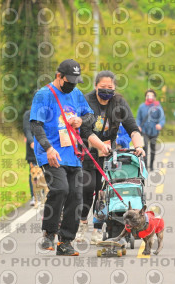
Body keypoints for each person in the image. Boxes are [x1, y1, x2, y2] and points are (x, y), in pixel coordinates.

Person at [30, 59, 111, 256]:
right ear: (59, 76)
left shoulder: (76, 94)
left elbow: (91, 117)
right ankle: (49, 232)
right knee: (60, 189)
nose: (73, 85)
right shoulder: (44, 95)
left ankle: (65, 241)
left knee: (76, 195)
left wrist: (81, 120)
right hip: (51, 153)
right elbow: (35, 125)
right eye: (69, 81)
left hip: (73, 154)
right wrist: (48, 148)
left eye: (76, 81)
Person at [77, 71, 145, 243]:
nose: (106, 90)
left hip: (109, 154)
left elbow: (132, 127)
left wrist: (139, 146)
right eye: (103, 87)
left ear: (114, 88)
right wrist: (101, 145)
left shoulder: (119, 102)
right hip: (88, 151)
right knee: (88, 188)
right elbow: (85, 130)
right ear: (95, 86)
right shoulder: (86, 101)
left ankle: (98, 228)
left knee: (104, 192)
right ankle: (82, 222)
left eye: (110, 87)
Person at [136, 89, 165, 171]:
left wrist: (160, 124)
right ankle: (145, 165)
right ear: (145, 97)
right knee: (144, 147)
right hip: (144, 130)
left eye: (152, 96)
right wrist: (138, 126)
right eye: (148, 95)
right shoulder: (142, 107)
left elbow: (162, 118)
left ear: (154, 97)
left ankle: (151, 165)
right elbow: (138, 118)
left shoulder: (158, 107)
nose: (150, 97)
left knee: (153, 148)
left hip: (154, 131)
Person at [22, 108, 36, 206]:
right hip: (32, 150)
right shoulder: (28, 114)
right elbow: (27, 130)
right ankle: (34, 196)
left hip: (47, 148)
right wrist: (31, 142)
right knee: (33, 173)